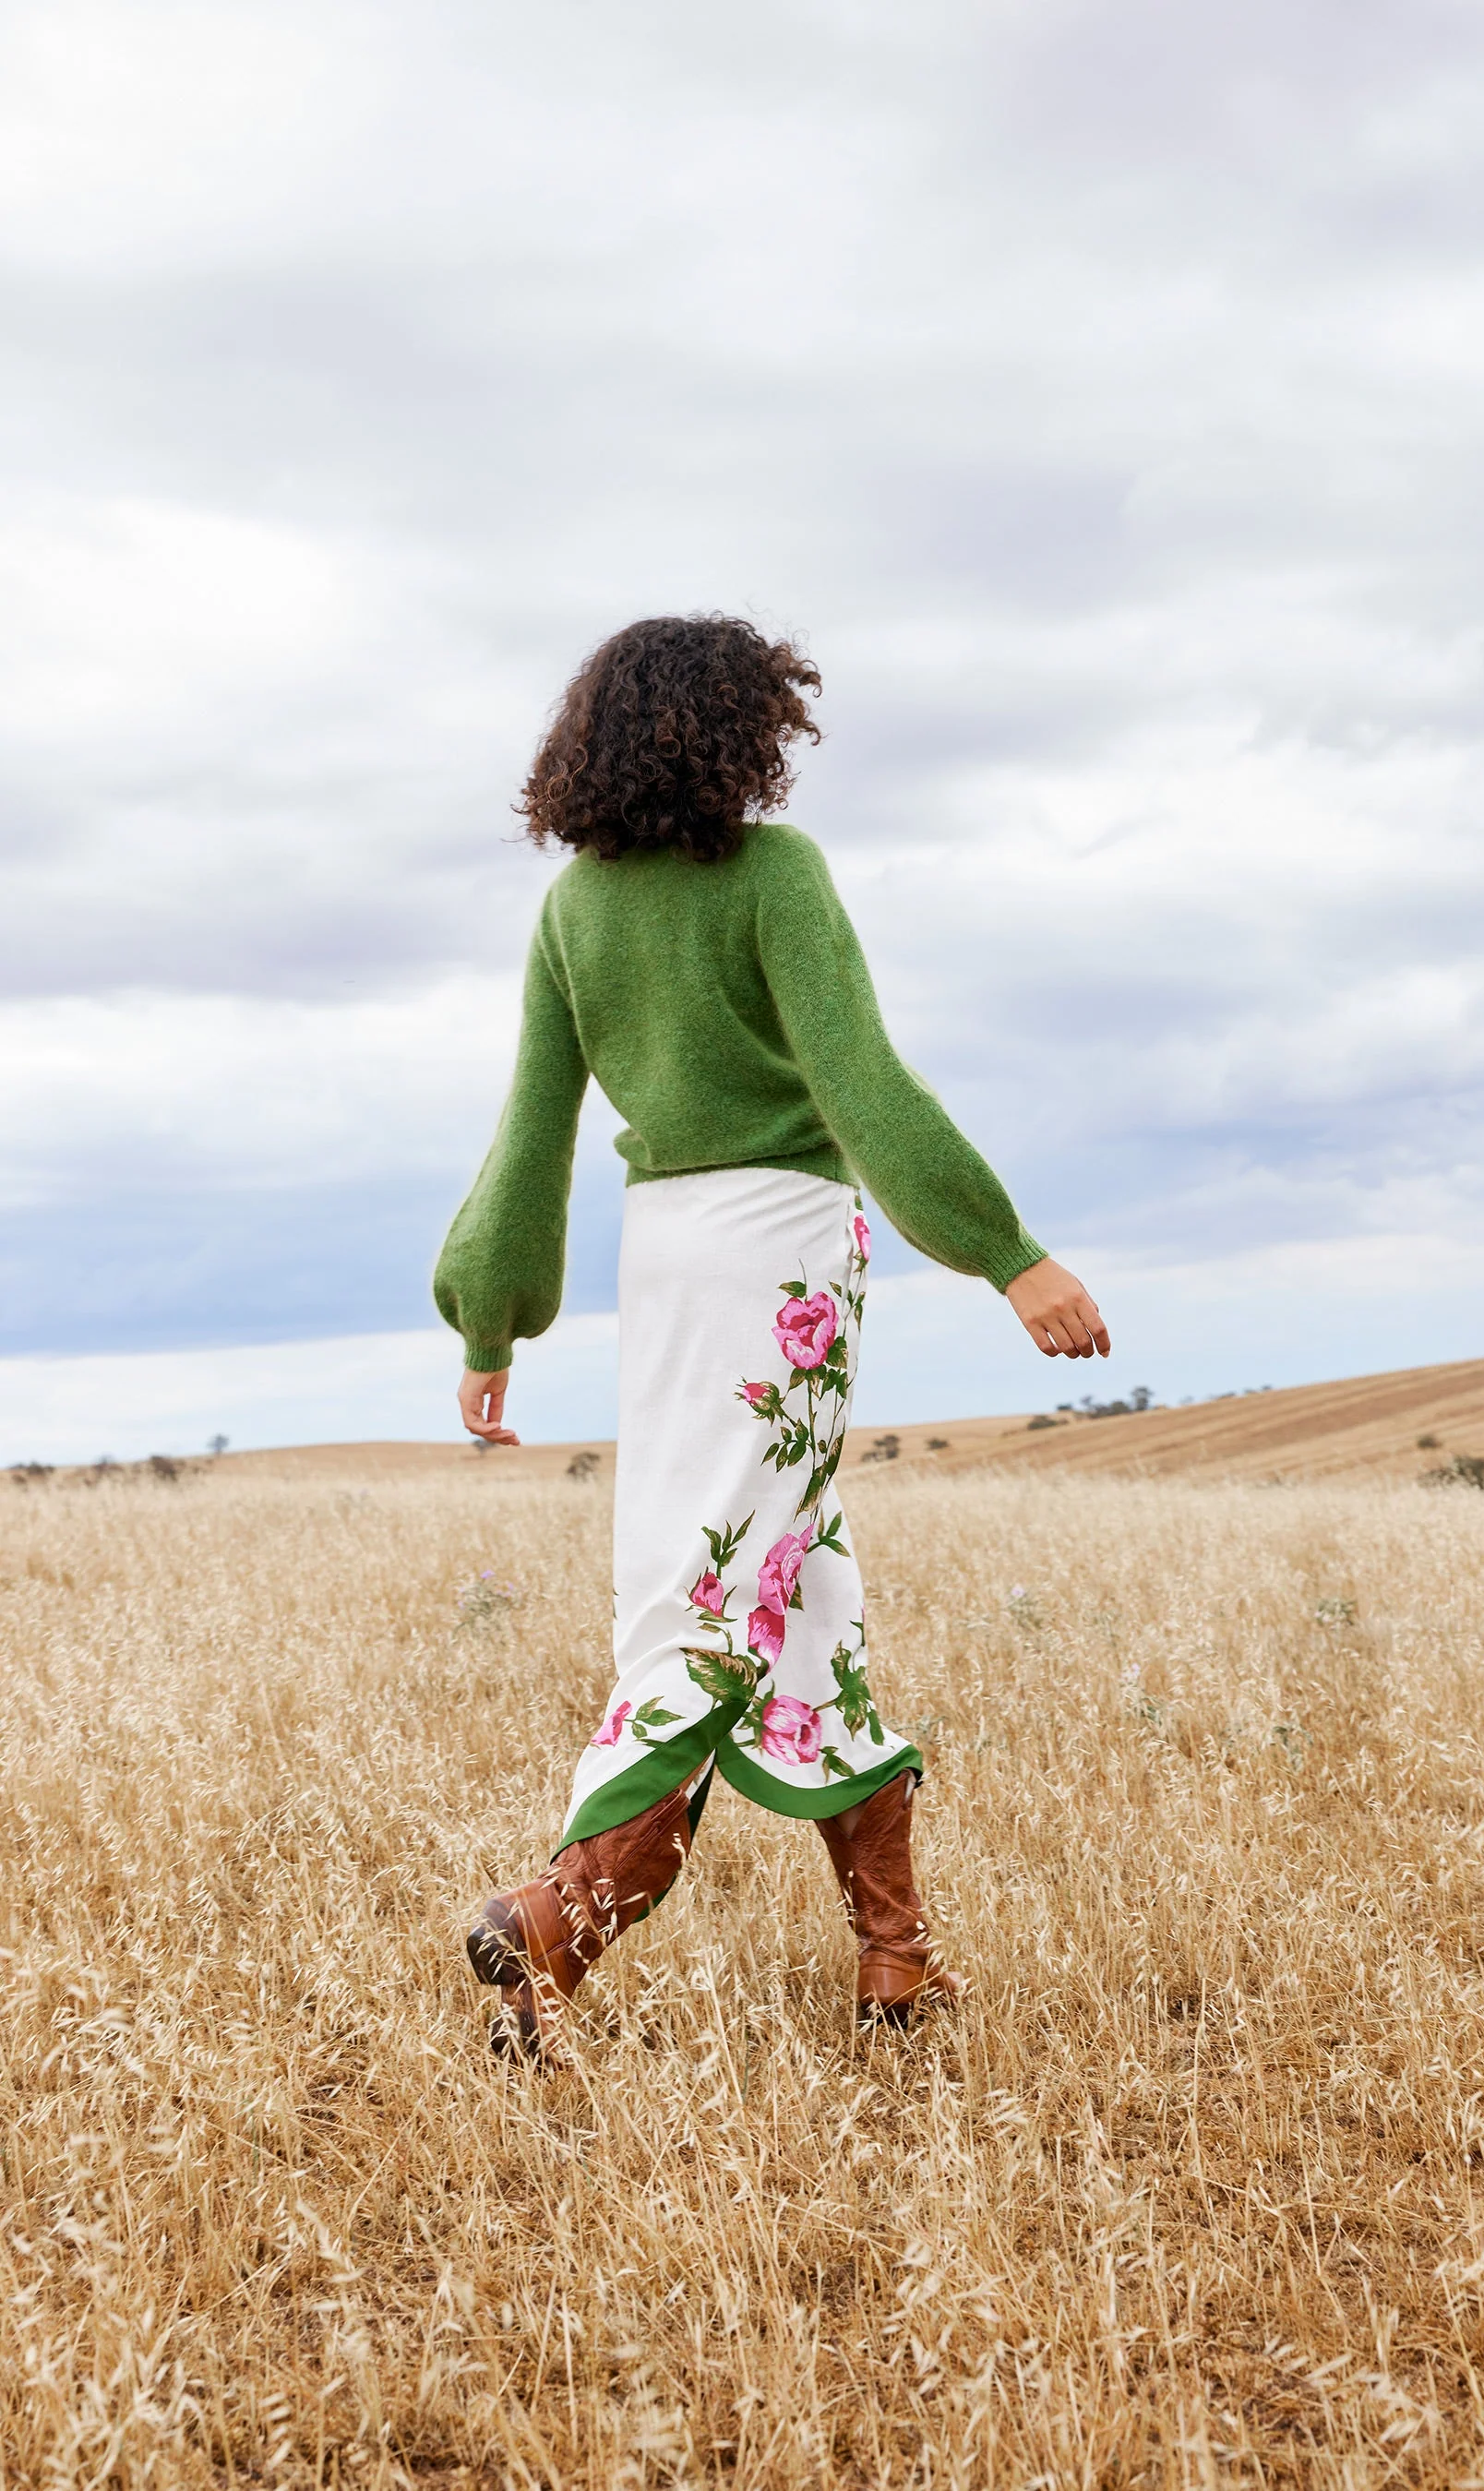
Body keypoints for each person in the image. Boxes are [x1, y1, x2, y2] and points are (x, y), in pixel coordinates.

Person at [435, 615, 1109, 2064]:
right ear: (746, 731)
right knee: (722, 1587)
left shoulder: (574, 908)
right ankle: (556, 1915)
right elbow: (861, 1083)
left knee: (792, 1578)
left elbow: (530, 1139)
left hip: (665, 1260)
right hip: (787, 1251)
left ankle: (896, 1957)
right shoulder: (774, 874)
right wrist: (1010, 1252)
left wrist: (491, 1320)